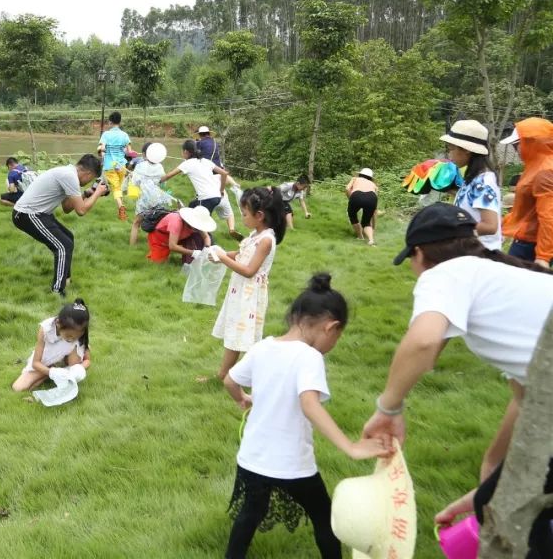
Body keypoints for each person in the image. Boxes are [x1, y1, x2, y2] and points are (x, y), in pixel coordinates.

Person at [361, 203, 553, 557]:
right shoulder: (504, 281)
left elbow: (424, 340)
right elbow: (530, 398)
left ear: (419, 254)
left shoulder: (446, 274)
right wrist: (493, 465)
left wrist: (388, 407)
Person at [222, 274, 393, 559]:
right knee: (324, 518)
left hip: (253, 458)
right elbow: (310, 405)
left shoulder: (263, 346)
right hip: (292, 463)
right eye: (338, 337)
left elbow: (229, 380)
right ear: (331, 327)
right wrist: (350, 447)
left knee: (249, 515)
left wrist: (243, 398)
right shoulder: (309, 357)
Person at [210, 186, 287, 379]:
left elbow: (249, 271)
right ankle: (227, 376)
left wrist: (223, 259)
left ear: (259, 215)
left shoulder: (266, 240)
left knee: (243, 335)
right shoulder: (255, 235)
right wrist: (222, 255)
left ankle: (243, 376)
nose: (242, 217)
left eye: (244, 214)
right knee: (237, 334)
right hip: (240, 291)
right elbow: (242, 254)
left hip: (250, 294)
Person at [12, 154, 107, 296]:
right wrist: (98, 193)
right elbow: (81, 211)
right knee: (63, 246)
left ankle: (65, 279)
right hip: (27, 214)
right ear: (88, 173)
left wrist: (87, 194)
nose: (89, 182)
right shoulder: (69, 176)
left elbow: (67, 208)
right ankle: (58, 291)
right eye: (91, 179)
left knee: (68, 238)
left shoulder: (68, 173)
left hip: (40, 213)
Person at [500, 117, 553, 267]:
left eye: (517, 144)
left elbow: (549, 216)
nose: (515, 149)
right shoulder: (536, 165)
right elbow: (527, 211)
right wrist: (502, 225)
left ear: (532, 142)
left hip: (531, 245)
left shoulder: (545, 171)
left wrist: (543, 257)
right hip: (527, 240)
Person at [441, 119, 502, 251]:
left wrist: (452, 230)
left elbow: (490, 226)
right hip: (470, 251)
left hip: (481, 255)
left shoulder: (483, 182)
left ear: (466, 150)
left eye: (451, 149)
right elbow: (472, 202)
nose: (449, 155)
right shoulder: (474, 178)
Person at [11, 298, 92, 392]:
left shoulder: (78, 335)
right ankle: (49, 372)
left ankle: (58, 369)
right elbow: (35, 363)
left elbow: (87, 361)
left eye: (76, 337)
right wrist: (52, 373)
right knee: (18, 388)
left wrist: (76, 371)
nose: (72, 339)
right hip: (46, 359)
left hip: (67, 359)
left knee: (74, 361)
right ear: (58, 323)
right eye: (69, 336)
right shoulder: (46, 329)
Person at [160, 139, 229, 215]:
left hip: (206, 198)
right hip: (217, 197)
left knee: (197, 222)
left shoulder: (187, 163)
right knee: (192, 206)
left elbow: (168, 176)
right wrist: (221, 190)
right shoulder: (205, 161)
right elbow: (224, 174)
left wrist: (157, 181)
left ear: (185, 151)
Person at [128, 142, 175, 244]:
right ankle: (156, 245)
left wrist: (132, 176)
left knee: (136, 223)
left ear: (146, 154)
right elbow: (163, 184)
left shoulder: (140, 166)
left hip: (143, 200)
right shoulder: (160, 167)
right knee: (156, 223)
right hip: (156, 199)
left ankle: (132, 246)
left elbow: (134, 183)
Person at [147, 206, 216, 264]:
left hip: (180, 236)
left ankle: (189, 261)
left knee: (197, 236)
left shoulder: (198, 223)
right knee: (159, 262)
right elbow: (172, 246)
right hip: (160, 239)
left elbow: (206, 236)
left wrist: (207, 247)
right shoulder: (176, 221)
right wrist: (193, 253)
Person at [98, 111, 132, 220]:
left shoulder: (106, 134)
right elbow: (129, 152)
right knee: (119, 188)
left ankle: (121, 209)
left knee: (116, 189)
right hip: (122, 165)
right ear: (120, 121)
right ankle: (121, 210)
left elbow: (102, 148)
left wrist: (101, 150)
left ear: (110, 122)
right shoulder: (125, 135)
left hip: (110, 165)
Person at [345, 168, 378, 246]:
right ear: (370, 177)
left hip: (356, 195)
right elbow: (375, 211)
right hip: (371, 197)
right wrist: (374, 227)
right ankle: (371, 240)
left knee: (352, 215)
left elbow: (347, 188)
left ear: (360, 174)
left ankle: (360, 236)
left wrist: (350, 198)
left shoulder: (355, 179)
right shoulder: (373, 184)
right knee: (366, 222)